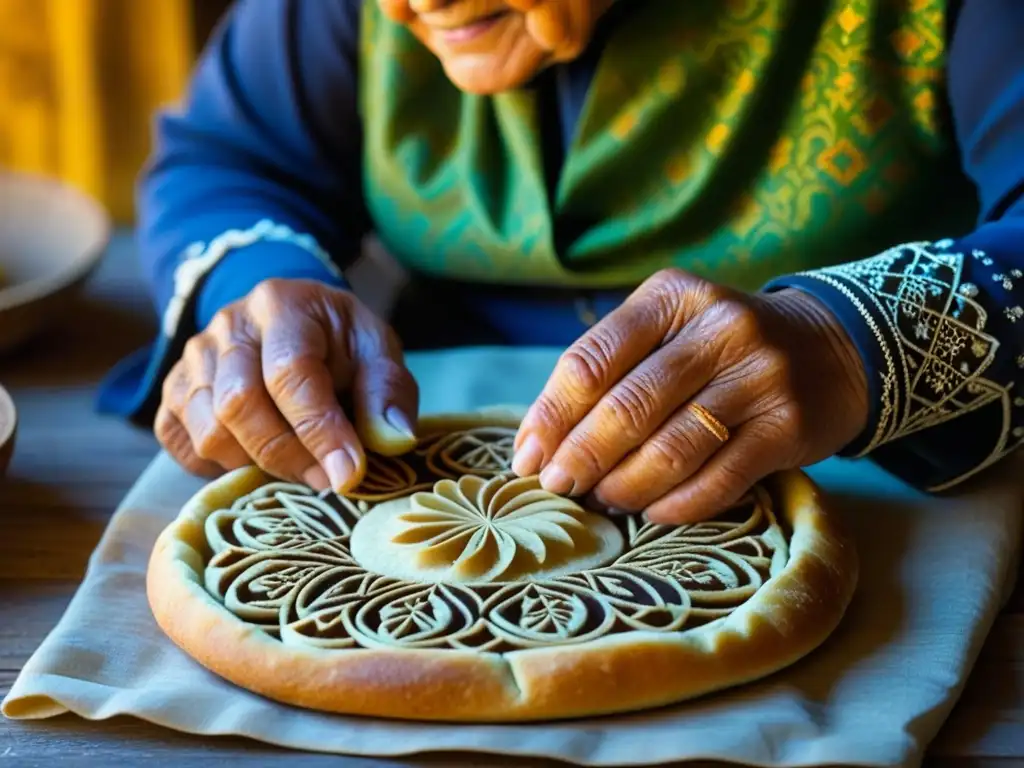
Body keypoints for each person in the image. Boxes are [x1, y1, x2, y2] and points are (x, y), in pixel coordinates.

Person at [98, 0, 1024, 525]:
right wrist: (257, 284)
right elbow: (232, 156)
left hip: (874, 481)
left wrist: (852, 341)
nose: (407, 7)